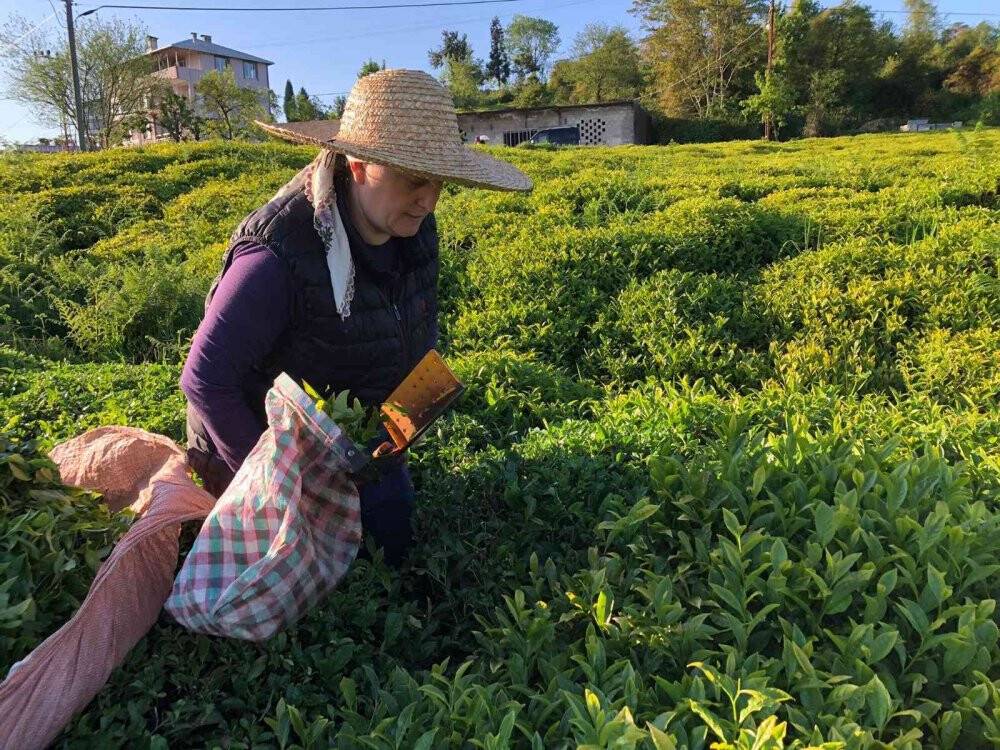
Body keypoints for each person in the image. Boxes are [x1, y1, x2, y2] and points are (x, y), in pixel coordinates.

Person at [180, 69, 531, 566]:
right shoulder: (280, 253)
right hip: (257, 449)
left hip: (350, 447)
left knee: (393, 555)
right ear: (360, 165)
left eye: (439, 184)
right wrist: (274, 492)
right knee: (301, 586)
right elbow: (205, 380)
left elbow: (418, 332)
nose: (428, 200)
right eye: (412, 179)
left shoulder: (414, 230)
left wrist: (401, 428)